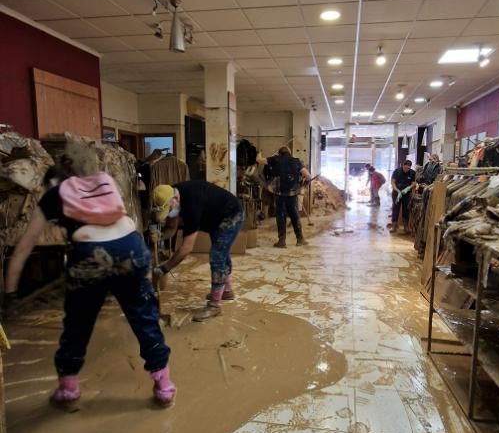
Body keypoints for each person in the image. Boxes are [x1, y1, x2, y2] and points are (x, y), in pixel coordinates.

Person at [4, 143, 175, 407]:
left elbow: (24, 248)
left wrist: (10, 293)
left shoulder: (56, 193)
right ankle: (164, 385)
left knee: (78, 321)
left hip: (89, 254)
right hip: (132, 249)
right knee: (143, 316)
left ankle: (68, 388)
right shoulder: (107, 183)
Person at [151, 181, 244, 321]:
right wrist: (160, 236)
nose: (170, 214)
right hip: (215, 218)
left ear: (175, 200)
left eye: (169, 210)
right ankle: (227, 291)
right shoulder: (170, 192)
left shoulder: (191, 205)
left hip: (231, 215)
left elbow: (186, 248)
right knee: (221, 253)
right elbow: (172, 226)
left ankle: (214, 306)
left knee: (217, 255)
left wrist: (164, 268)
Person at [256, 145, 310, 248]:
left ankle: (282, 241)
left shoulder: (274, 159)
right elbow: (307, 175)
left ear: (280, 153)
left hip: (279, 194)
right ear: (289, 153)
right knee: (294, 215)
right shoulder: (296, 161)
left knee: (281, 216)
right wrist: (304, 182)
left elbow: (259, 160)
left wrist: (259, 152)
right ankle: (300, 239)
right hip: (292, 194)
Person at [390, 159, 416, 233]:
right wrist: (397, 191)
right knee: (395, 208)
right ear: (403, 165)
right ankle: (394, 226)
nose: (406, 169)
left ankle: (405, 227)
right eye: (405, 167)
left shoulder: (412, 173)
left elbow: (413, 183)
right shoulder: (397, 171)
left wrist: (408, 188)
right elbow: (392, 182)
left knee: (406, 209)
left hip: (406, 194)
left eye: (408, 168)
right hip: (396, 193)